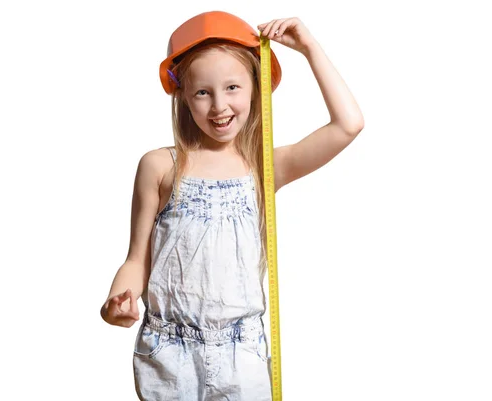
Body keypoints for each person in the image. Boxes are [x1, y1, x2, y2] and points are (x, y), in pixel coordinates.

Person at [100, 10, 364, 401]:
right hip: (169, 353)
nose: (219, 105)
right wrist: (117, 301)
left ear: (256, 88)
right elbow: (137, 260)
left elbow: (348, 124)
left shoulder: (265, 166)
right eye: (202, 92)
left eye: (233, 88)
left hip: (244, 355)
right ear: (183, 97)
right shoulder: (159, 166)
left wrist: (308, 47)